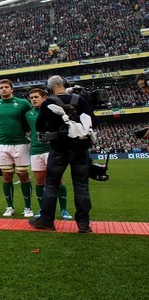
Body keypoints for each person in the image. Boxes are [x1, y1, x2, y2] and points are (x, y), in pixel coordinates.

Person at [29, 76, 97, 233]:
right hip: (80, 148)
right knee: (81, 185)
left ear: (49, 88)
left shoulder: (48, 103)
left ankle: (46, 221)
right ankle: (83, 224)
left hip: (59, 148)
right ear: (64, 84)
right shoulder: (80, 100)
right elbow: (94, 122)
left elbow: (39, 125)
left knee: (51, 184)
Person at [25, 88, 72, 221]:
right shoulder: (28, 114)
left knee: (59, 180)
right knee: (40, 181)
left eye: (36, 97)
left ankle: (63, 209)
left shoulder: (53, 111)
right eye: (31, 97)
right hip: (35, 150)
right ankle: (42, 209)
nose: (33, 99)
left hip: (51, 149)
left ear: (44, 98)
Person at [0, 79, 33, 217]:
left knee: (23, 176)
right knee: (7, 177)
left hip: (20, 143)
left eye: (6, 87)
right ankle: (9, 207)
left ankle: (28, 207)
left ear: (12, 89)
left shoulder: (23, 103)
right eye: (1, 87)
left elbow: (31, 118)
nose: (3, 89)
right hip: (2, 144)